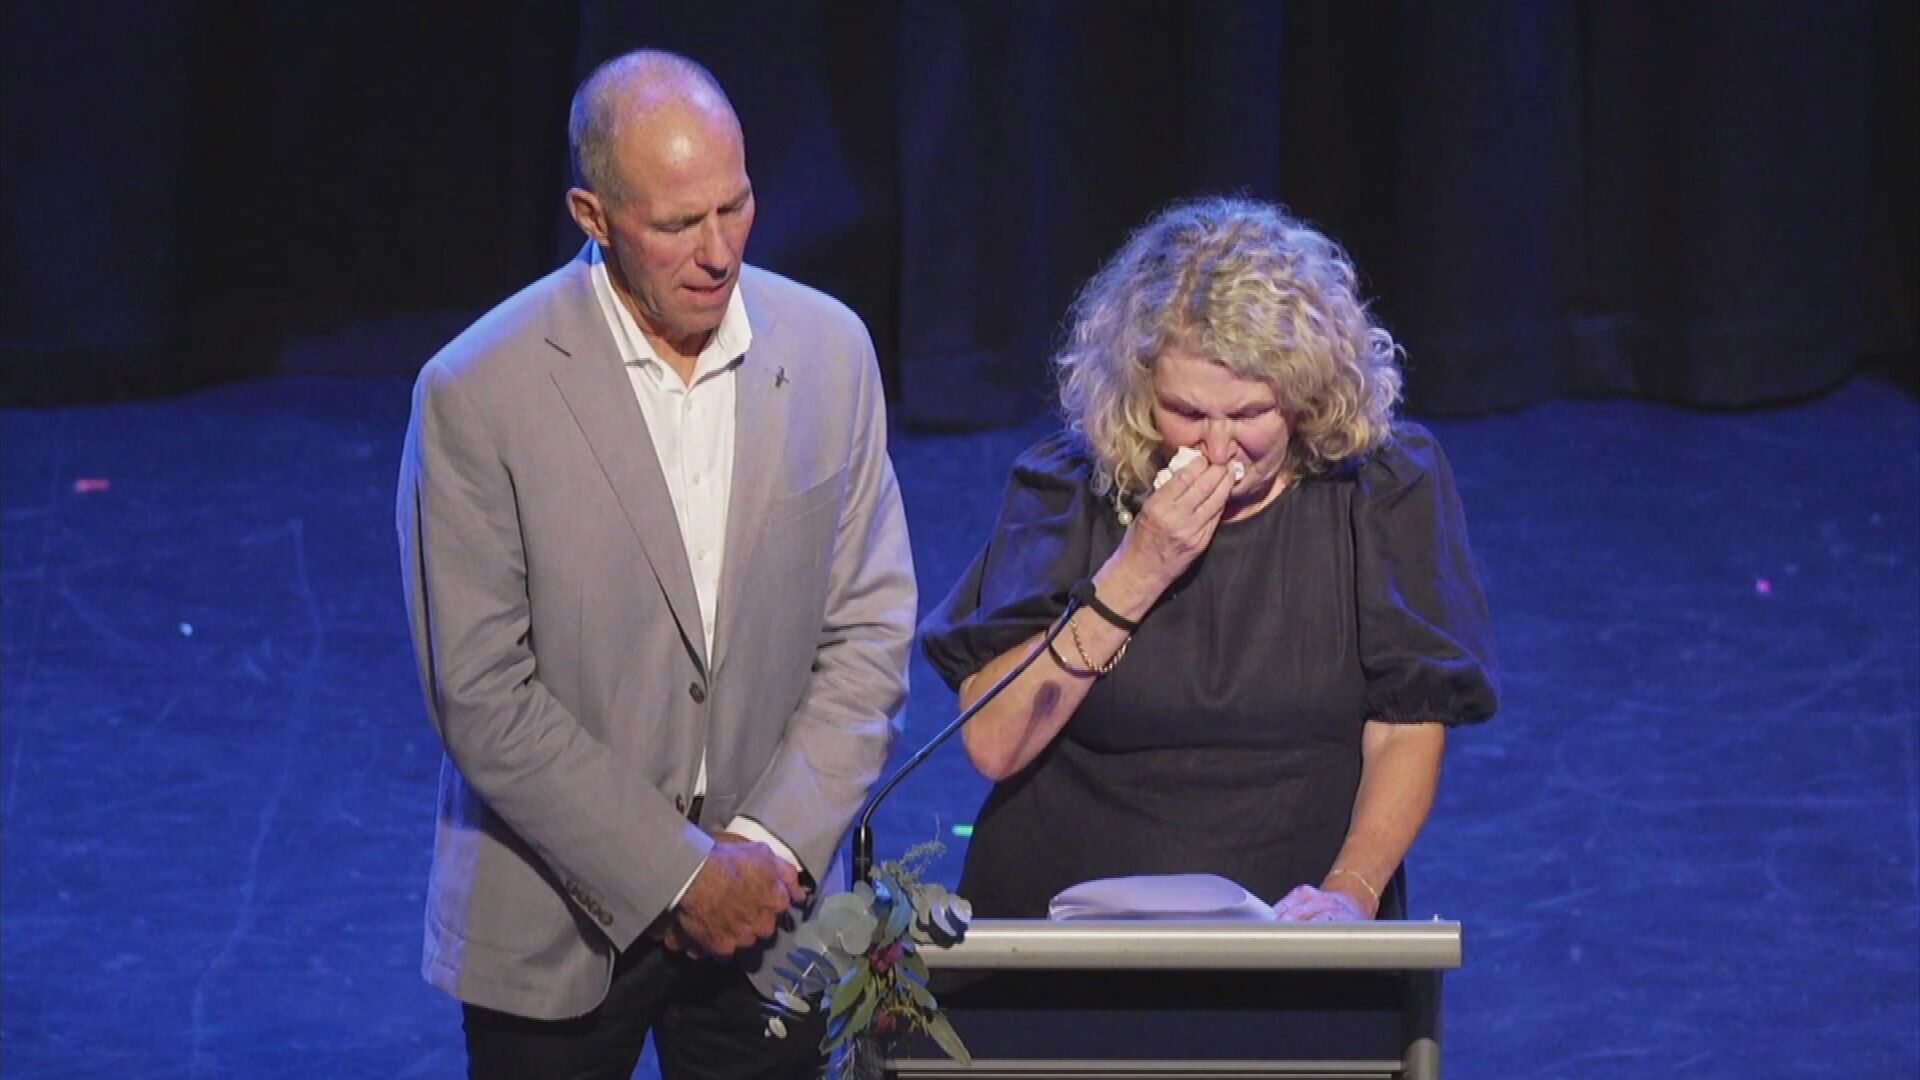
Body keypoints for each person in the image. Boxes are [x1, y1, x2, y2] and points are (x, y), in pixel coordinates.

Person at [395, 50, 915, 1078]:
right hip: (554, 926)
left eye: (737, 206)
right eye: (678, 224)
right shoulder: (478, 391)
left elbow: (870, 629)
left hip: (775, 919)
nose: (718, 251)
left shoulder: (829, 352)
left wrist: (764, 851)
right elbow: (483, 694)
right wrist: (678, 879)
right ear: (592, 215)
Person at [920, 196, 1498, 923]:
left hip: (1294, 934)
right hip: (1063, 936)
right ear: (1139, 391)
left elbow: (1405, 729)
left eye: (1250, 414)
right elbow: (994, 745)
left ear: (1305, 394)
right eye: (1187, 413)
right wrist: (1136, 570)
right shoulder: (1071, 486)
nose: (1218, 447)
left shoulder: (1380, 488)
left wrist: (1351, 892)